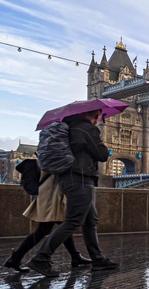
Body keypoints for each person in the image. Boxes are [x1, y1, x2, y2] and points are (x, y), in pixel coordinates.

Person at [27, 110, 116, 277]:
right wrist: (102, 144)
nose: (100, 119)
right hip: (81, 178)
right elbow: (102, 155)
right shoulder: (86, 129)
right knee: (73, 221)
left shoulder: (68, 127)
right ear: (94, 115)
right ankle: (41, 258)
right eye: (99, 116)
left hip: (68, 177)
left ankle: (98, 259)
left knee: (90, 220)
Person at [2, 168, 92, 273]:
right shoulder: (53, 151)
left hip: (53, 189)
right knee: (47, 228)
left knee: (62, 225)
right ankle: (17, 258)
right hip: (53, 191)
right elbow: (60, 166)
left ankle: (75, 256)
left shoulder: (46, 151)